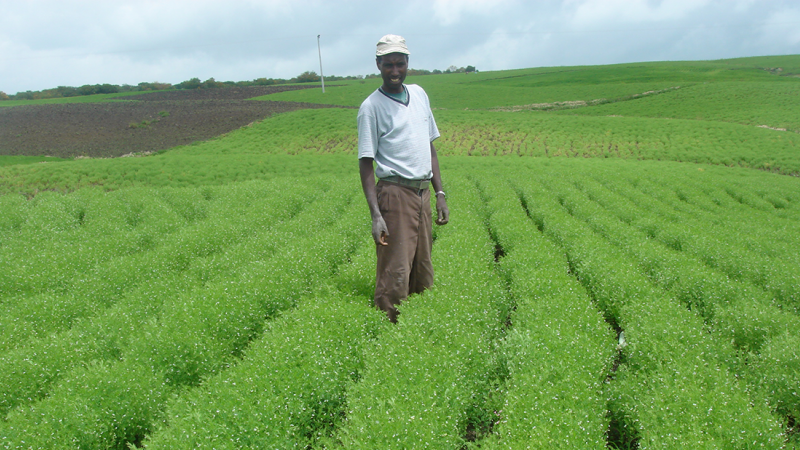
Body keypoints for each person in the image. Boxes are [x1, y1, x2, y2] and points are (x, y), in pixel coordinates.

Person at [358, 34, 449, 323]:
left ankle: (417, 328)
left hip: (422, 193)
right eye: (388, 65)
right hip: (394, 193)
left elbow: (429, 146)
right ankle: (389, 332)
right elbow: (365, 164)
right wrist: (375, 215)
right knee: (395, 272)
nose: (394, 71)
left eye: (400, 64)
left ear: (408, 63)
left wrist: (439, 194)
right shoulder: (371, 107)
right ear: (378, 65)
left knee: (422, 267)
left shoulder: (420, 95)